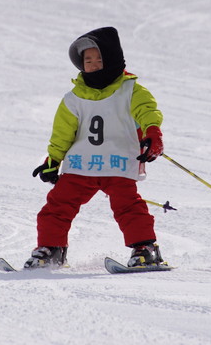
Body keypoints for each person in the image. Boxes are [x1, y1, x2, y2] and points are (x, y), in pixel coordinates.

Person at [24, 26, 165, 269]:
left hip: (118, 163)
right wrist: (53, 161)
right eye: (87, 59)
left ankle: (145, 249)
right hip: (81, 166)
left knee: (128, 207)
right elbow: (62, 134)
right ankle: (51, 249)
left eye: (99, 58)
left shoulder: (131, 90)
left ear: (112, 59)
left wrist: (152, 132)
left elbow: (147, 112)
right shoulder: (73, 98)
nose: (92, 63)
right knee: (57, 206)